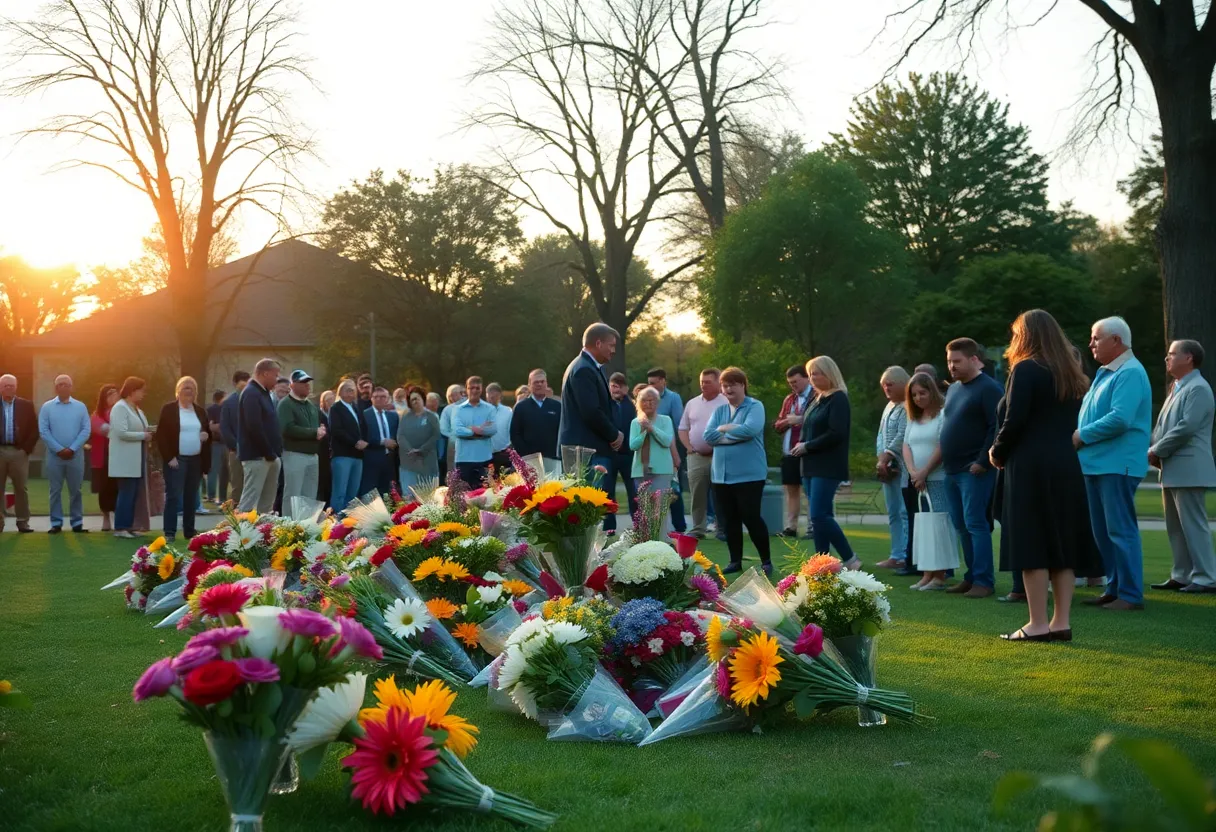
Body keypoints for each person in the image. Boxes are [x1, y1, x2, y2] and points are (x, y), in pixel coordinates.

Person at [989, 310, 1103, 641]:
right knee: (1062, 541)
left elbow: (1015, 420)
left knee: (1032, 541)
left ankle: (1037, 623)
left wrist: (997, 451)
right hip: (1066, 462)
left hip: (1030, 465)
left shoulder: (1026, 369)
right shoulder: (1071, 371)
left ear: (1026, 336)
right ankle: (1060, 622)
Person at [1075, 316, 1153, 611]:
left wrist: (1081, 435)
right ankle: (1114, 588)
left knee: (1120, 530)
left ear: (1116, 341)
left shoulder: (1130, 372)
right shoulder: (1107, 372)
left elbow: (1121, 419)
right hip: (1097, 463)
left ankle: (1130, 595)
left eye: (1096, 338)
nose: (1091, 344)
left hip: (1117, 464)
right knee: (1104, 532)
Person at [1150, 339, 1216, 594]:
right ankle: (1182, 574)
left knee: (1192, 524)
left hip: (1189, 468)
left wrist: (1156, 450)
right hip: (1172, 467)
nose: (1167, 358)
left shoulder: (1198, 388)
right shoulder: (1178, 387)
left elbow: (1186, 427)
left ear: (1189, 358)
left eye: (1172, 354)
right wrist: (1156, 450)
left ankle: (1207, 577)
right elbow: (1164, 427)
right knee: (1176, 526)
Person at [940, 337, 1004, 598]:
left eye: (957, 361)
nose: (952, 367)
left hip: (974, 470)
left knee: (976, 524)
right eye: (949, 362)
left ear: (974, 359)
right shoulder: (954, 388)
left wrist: (982, 461)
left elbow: (996, 427)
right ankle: (970, 576)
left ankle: (984, 581)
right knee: (961, 525)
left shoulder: (989, 388)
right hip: (951, 469)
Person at [792, 356, 860, 570]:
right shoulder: (816, 399)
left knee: (819, 515)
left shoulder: (838, 398)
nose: (812, 378)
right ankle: (822, 562)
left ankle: (850, 559)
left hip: (827, 465)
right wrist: (803, 446)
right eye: (811, 374)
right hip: (810, 465)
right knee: (819, 517)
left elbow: (836, 433)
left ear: (829, 374)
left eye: (817, 373)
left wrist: (808, 445)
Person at [704, 367, 771, 574]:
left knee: (751, 517)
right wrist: (732, 434)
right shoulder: (720, 410)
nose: (729, 388)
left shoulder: (755, 406)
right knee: (729, 520)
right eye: (725, 385)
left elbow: (750, 430)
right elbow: (707, 436)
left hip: (749, 475)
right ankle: (735, 561)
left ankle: (766, 561)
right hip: (721, 477)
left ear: (743, 385)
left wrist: (722, 432)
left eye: (733, 384)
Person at [903, 372, 951, 589]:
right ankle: (926, 573)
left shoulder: (942, 415)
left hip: (937, 478)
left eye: (923, 393)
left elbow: (942, 446)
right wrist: (914, 472)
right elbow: (906, 446)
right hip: (917, 480)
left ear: (932, 391)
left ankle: (939, 575)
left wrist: (925, 472)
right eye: (914, 395)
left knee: (937, 526)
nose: (918, 398)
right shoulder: (913, 419)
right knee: (922, 526)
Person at [559, 322, 624, 475]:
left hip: (586, 450)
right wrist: (614, 435)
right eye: (611, 345)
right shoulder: (584, 370)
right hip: (585, 451)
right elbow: (590, 411)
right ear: (598, 343)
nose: (613, 351)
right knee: (587, 498)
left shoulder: (586, 367)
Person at [156, 376, 212, 540]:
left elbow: (207, 433)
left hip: (195, 460)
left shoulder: (200, 411)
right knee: (173, 495)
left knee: (191, 496)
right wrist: (169, 457)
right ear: (178, 391)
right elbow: (162, 436)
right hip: (176, 460)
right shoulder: (169, 409)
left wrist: (205, 435)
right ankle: (169, 532)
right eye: (185, 388)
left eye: (191, 389)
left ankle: (189, 530)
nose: (188, 391)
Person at [38, 374, 91, 534]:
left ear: (71, 387)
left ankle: (77, 522)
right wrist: (59, 449)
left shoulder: (80, 407)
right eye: (60, 384)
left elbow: (86, 429)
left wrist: (72, 448)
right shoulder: (47, 407)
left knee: (76, 490)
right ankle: (56, 522)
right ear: (55, 387)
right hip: (55, 457)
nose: (63, 387)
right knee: (55, 490)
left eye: (67, 384)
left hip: (75, 456)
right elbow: (44, 431)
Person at [680, 368, 727, 540]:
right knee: (697, 494)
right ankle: (698, 528)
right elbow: (683, 428)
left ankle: (722, 528)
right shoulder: (692, 403)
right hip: (696, 456)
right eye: (701, 382)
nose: (703, 385)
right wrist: (688, 447)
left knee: (721, 493)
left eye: (708, 382)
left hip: (720, 455)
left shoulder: (726, 403)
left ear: (718, 382)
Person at [109, 376, 154, 539]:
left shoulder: (137, 409)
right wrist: (143, 435)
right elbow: (121, 432)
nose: (143, 394)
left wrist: (150, 431)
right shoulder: (120, 408)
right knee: (126, 493)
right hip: (124, 459)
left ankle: (130, 525)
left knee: (134, 493)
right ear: (132, 391)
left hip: (137, 459)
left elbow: (142, 427)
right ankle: (120, 527)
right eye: (141, 390)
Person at [237, 358, 284, 514]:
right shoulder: (251, 393)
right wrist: (268, 452)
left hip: (269, 455)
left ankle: (264, 535)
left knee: (267, 505)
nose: (277, 380)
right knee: (249, 502)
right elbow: (254, 426)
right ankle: (240, 535)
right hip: (257, 456)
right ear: (265, 373)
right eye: (275, 375)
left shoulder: (263, 394)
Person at [875, 367, 911, 569]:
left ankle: (905, 554)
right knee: (893, 512)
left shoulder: (908, 405)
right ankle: (895, 553)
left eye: (890, 384)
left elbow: (902, 435)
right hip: (887, 466)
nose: (886, 388)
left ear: (902, 383)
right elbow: (881, 435)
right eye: (883, 385)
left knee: (904, 511)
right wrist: (881, 459)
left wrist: (887, 455)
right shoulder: (889, 406)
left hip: (904, 465)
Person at [773, 365, 814, 538]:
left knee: (810, 490)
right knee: (791, 490)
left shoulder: (816, 397)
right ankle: (791, 526)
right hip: (789, 452)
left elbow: (820, 421)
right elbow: (778, 424)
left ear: (807, 378)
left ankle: (813, 526)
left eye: (796, 381)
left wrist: (800, 420)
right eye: (790, 383)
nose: (793, 386)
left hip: (808, 451)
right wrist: (787, 422)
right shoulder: (789, 399)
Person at [278, 369, 325, 508]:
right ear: (292, 385)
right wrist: (313, 433)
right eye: (303, 382)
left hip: (312, 455)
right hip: (294, 454)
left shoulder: (310, 405)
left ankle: (306, 526)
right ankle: (288, 526)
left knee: (309, 496)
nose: (307, 385)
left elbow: (316, 426)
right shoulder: (286, 404)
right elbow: (287, 428)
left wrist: (320, 431)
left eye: (308, 382)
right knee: (293, 494)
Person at [647, 368, 686, 532]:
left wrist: (675, 454)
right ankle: (654, 526)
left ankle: (679, 526)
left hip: (670, 448)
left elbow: (678, 425)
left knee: (673, 487)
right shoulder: (648, 397)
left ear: (663, 381)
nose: (651, 386)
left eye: (654, 383)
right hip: (650, 450)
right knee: (652, 489)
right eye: (649, 383)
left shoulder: (673, 398)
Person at [0, 374, 37, 533]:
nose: (9, 388)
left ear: (17, 387)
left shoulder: (26, 405)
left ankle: (22, 521)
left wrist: (25, 450)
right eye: (6, 385)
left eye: (12, 385)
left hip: (19, 452)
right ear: (1, 387)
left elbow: (34, 430)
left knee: (21, 487)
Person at [603, 373, 638, 532]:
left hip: (628, 455)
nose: (616, 389)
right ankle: (609, 528)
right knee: (608, 492)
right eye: (613, 386)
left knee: (634, 491)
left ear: (626, 388)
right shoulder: (604, 404)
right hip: (609, 454)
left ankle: (638, 525)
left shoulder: (633, 406)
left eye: (620, 386)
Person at [510, 369, 562, 471]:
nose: (539, 384)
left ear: (546, 383)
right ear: (529, 385)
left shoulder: (557, 406)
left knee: (555, 487)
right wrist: (526, 455)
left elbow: (562, 431)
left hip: (552, 459)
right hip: (529, 461)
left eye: (542, 382)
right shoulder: (521, 407)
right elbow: (515, 434)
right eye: (536, 382)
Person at [329, 378, 368, 510]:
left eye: (353, 390)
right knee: (340, 491)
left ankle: (348, 522)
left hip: (357, 455)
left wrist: (364, 442)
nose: (352, 393)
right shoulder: (336, 408)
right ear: (341, 392)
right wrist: (355, 442)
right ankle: (336, 521)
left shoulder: (356, 408)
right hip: (342, 455)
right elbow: (336, 430)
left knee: (353, 493)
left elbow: (361, 428)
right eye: (349, 390)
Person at [451, 376, 497, 486]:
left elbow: (492, 429)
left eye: (477, 388)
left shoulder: (489, 409)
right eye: (471, 388)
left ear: (482, 389)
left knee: (487, 495)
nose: (474, 391)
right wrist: (478, 432)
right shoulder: (458, 409)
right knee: (464, 495)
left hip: (484, 458)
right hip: (464, 459)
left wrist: (472, 429)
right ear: (466, 389)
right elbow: (457, 431)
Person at [629, 386, 676, 493]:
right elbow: (633, 446)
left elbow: (667, 441)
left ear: (657, 402)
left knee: (660, 507)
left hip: (662, 470)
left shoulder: (666, 420)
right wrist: (644, 431)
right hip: (640, 470)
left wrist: (652, 428)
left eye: (651, 400)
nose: (648, 404)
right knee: (644, 507)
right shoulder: (635, 422)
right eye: (644, 400)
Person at [397, 387, 441, 490]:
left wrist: (421, 449)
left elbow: (436, 435)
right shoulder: (405, 417)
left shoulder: (432, 417)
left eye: (417, 398)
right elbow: (400, 436)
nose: (415, 401)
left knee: (429, 496)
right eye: (412, 399)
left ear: (423, 399)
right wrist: (410, 450)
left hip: (427, 461)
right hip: (409, 461)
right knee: (409, 497)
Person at [90, 384, 120, 532]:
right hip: (103, 456)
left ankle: (119, 517)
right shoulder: (96, 416)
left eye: (116, 393)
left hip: (119, 456)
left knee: (118, 487)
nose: (114, 397)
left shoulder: (123, 412)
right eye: (110, 394)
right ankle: (106, 517)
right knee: (104, 488)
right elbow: (108, 431)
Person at [360, 387, 400, 496]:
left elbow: (397, 434)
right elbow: (362, 437)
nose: (379, 399)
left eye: (383, 397)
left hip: (389, 459)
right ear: (371, 399)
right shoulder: (364, 415)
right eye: (376, 397)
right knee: (370, 492)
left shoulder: (393, 416)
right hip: (371, 459)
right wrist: (382, 442)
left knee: (388, 492)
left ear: (388, 399)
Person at [220, 371, 250, 507]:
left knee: (251, 487)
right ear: (234, 384)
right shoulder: (228, 403)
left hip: (253, 452)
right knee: (238, 485)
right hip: (235, 451)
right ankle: (235, 520)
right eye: (241, 383)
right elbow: (225, 428)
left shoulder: (253, 400)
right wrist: (237, 446)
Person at [438, 383, 466, 482]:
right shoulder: (447, 409)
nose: (452, 397)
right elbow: (443, 428)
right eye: (449, 395)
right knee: (454, 471)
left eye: (454, 394)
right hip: (453, 444)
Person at [485, 382, 514, 473]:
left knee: (505, 483)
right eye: (490, 394)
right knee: (487, 484)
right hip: (485, 455)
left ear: (500, 396)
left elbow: (512, 432)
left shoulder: (508, 411)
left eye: (495, 394)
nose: (492, 397)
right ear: (486, 395)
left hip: (503, 454)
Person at [205, 390, 226, 503]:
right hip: (218, 442)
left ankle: (211, 495)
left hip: (217, 442)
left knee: (215, 470)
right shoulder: (214, 409)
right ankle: (216, 495)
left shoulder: (211, 410)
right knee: (219, 471)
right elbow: (210, 426)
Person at [318, 389, 334, 504]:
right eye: (328, 400)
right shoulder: (319, 415)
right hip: (322, 453)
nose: (331, 403)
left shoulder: (334, 414)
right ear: (322, 402)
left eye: (332, 400)